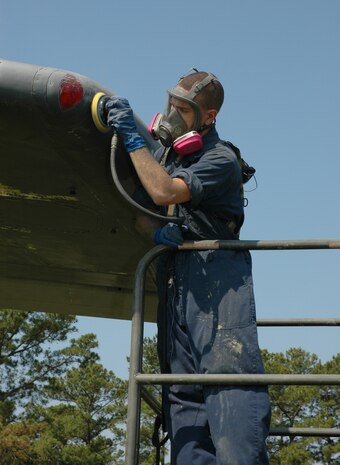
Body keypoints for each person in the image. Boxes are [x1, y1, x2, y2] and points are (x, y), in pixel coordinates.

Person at [105, 70, 271, 465]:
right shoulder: (165, 157)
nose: (171, 114)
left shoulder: (220, 158)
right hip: (176, 282)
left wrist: (132, 138)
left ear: (208, 117)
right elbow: (142, 216)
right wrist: (157, 232)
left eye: (183, 109)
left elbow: (163, 191)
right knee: (181, 394)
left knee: (230, 388)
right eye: (171, 105)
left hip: (218, 280)